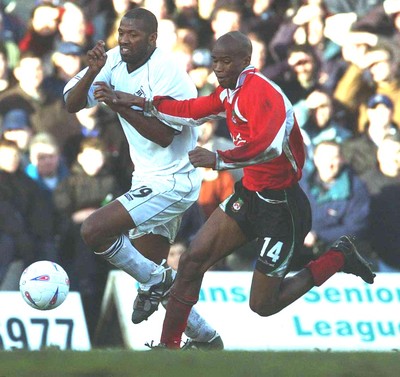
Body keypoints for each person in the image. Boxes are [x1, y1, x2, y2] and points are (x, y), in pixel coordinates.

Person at [113, 31, 376, 349]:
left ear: (245, 61)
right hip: (250, 195)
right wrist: (142, 104)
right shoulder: (229, 93)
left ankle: (338, 257)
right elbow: (192, 109)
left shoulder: (263, 93)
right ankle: (170, 347)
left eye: (226, 61)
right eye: (215, 61)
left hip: (283, 207)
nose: (219, 68)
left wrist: (218, 158)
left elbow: (269, 147)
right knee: (192, 260)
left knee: (262, 305)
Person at [63, 7, 223, 350]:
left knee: (93, 230)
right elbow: (69, 103)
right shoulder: (109, 60)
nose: (124, 40)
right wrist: (92, 73)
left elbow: (164, 135)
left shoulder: (171, 75)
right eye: (121, 33)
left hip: (175, 181)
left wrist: (120, 106)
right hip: (146, 179)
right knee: (147, 274)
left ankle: (158, 280)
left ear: (152, 38)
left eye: (133, 35)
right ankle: (207, 339)